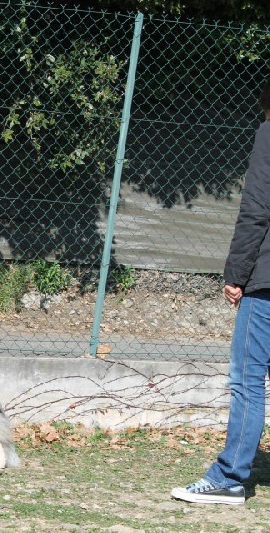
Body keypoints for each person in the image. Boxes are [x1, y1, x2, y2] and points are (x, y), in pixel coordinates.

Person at [171, 80, 270, 505]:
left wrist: (236, 274)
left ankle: (229, 477)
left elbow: (256, 209)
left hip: (266, 284)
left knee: (248, 379)